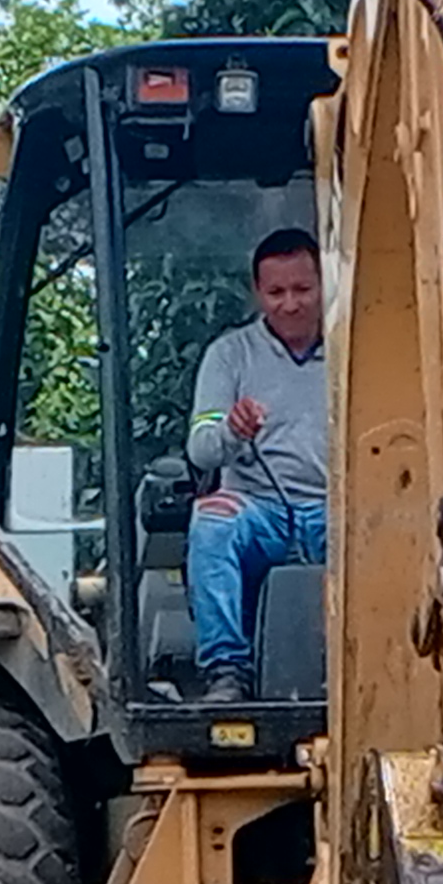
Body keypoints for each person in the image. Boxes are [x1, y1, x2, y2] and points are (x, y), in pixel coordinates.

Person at [182, 226, 329, 699]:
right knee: (212, 522)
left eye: (302, 289)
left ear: (325, 284)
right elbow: (201, 446)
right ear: (257, 293)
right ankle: (226, 669)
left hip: (336, 510)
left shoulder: (357, 351)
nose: (291, 304)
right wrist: (231, 430)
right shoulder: (228, 356)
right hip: (258, 508)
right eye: (276, 293)